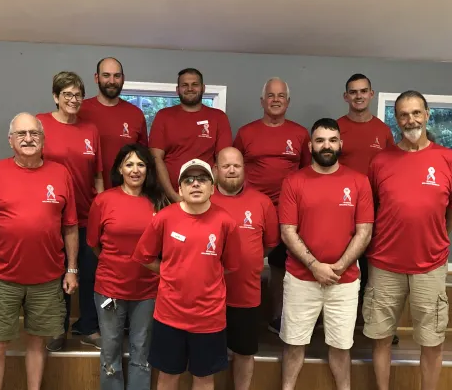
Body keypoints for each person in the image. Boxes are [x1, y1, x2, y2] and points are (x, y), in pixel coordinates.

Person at [364, 91, 452, 390]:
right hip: (384, 265)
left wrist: (432, 238)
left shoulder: (449, 160)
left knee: (432, 342)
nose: (411, 120)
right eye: (404, 114)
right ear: (396, 119)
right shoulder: (380, 161)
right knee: (381, 339)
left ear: (427, 114)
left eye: (416, 112)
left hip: (430, 266)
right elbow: (373, 210)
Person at [0, 113, 79, 390]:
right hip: (0, 277)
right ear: (10, 141)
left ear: (44, 140)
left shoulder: (61, 173)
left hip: (47, 279)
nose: (29, 139)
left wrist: (72, 269)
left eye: (34, 133)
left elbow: (70, 227)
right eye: (21, 134)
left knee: (37, 343)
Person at [278, 118, 374, 390]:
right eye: (320, 140)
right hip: (300, 279)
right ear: (311, 145)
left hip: (344, 282)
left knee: (341, 347)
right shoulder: (294, 181)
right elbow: (287, 231)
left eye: (332, 140)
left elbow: (364, 232)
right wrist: (314, 265)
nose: (326, 145)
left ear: (340, 144)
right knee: (294, 344)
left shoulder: (359, 182)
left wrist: (339, 267)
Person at [133, 159, 241, 390]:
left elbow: (231, 265)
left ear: (212, 188)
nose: (195, 184)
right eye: (188, 180)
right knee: (167, 376)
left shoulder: (226, 222)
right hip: (169, 315)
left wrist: (205, 274)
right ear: (179, 189)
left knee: (204, 378)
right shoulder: (164, 217)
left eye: (202, 179)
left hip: (209, 317)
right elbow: (145, 256)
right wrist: (171, 272)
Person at [233, 77, 311, 334]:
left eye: (280, 96)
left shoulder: (300, 134)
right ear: (262, 101)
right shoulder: (246, 133)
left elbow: (308, 173)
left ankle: (277, 318)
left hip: (287, 212)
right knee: (246, 261)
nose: (276, 99)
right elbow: (233, 168)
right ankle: (241, 319)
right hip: (251, 209)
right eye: (270, 95)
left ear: (288, 102)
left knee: (281, 267)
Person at [87, 143, 169, 390]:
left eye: (141, 164)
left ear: (148, 170)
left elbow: (165, 248)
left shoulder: (159, 203)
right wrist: (117, 263)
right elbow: (93, 244)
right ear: (120, 169)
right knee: (110, 350)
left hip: (148, 291)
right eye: (129, 164)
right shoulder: (104, 201)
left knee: (141, 352)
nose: (135, 170)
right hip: (110, 289)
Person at [37, 71, 104, 350]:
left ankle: (88, 327)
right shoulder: (40, 124)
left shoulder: (91, 130)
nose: (73, 100)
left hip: (86, 214)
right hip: (53, 216)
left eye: (78, 94)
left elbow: (98, 174)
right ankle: (57, 329)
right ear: (55, 97)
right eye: (67, 94)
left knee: (89, 272)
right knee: (56, 274)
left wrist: (103, 210)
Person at [210, 147, 279, 390]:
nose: (231, 170)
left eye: (236, 166)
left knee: (244, 353)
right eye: (226, 166)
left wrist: (248, 261)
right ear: (215, 170)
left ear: (244, 169)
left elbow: (269, 245)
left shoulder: (262, 202)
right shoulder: (202, 200)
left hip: (245, 296)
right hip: (207, 298)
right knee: (206, 356)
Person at [336, 74, 396, 341]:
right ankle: (340, 325)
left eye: (363, 91)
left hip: (374, 212)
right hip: (339, 212)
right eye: (353, 92)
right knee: (343, 266)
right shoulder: (335, 128)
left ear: (372, 94)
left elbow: (395, 169)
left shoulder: (383, 131)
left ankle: (377, 327)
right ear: (345, 96)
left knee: (374, 271)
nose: (358, 96)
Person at [149, 68, 232, 203]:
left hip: (206, 198)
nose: (190, 89)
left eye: (195, 84)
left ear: (203, 88)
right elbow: (156, 159)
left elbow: (222, 162)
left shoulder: (218, 118)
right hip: (169, 197)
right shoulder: (163, 116)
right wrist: (173, 196)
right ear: (177, 89)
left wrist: (206, 193)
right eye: (184, 85)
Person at [80, 57, 149, 189]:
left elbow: (144, 160)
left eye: (117, 76)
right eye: (106, 75)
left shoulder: (135, 114)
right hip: (85, 194)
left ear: (123, 78)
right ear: (96, 78)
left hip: (125, 194)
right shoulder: (80, 110)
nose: (112, 81)